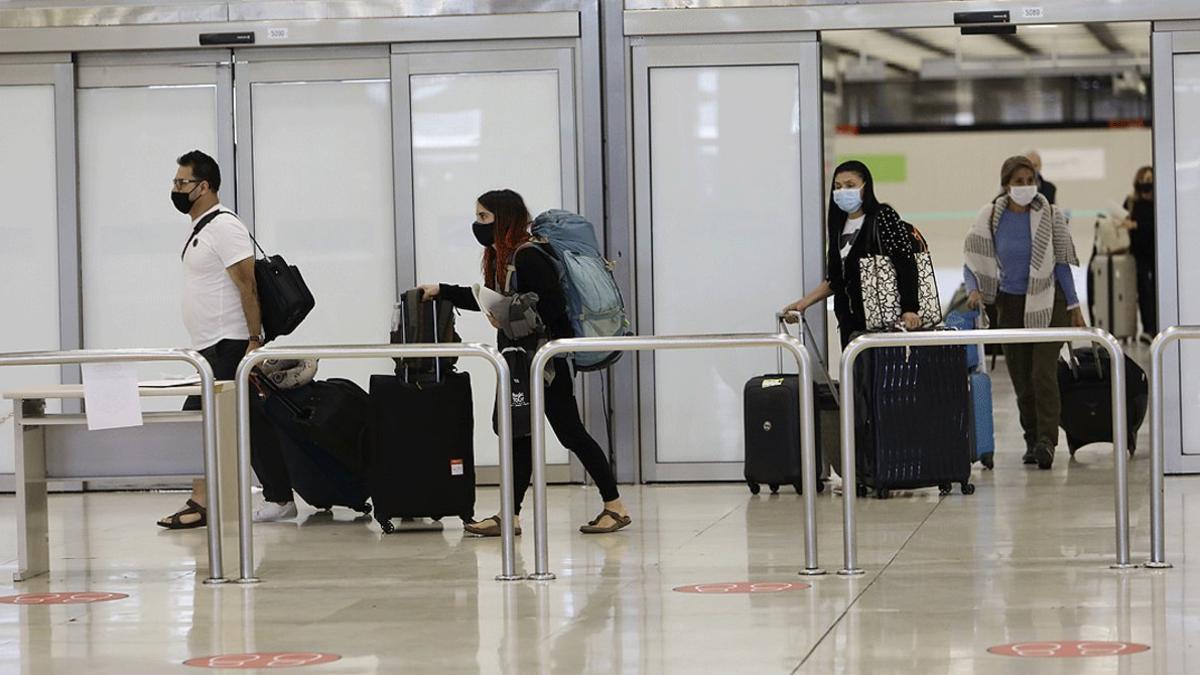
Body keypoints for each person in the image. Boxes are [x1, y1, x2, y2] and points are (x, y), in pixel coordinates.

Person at [417, 189, 631, 536]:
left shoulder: (529, 256)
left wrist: (510, 315)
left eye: (484, 217)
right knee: (521, 435)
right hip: (523, 361)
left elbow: (554, 310)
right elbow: (493, 298)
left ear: (505, 217)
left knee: (569, 433)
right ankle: (510, 517)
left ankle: (615, 506)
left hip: (546, 363)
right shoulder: (506, 257)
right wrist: (441, 290)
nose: (478, 224)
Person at [157, 150, 296, 528]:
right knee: (252, 421)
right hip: (211, 344)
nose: (175, 189)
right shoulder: (203, 227)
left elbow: (247, 285)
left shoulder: (225, 227)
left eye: (181, 182)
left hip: (229, 344)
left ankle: (202, 503)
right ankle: (280, 497)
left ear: (204, 186)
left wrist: (254, 339)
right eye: (175, 182)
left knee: (197, 419)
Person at [963, 155, 1085, 471]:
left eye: (1030, 181)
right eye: (1019, 182)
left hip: (1049, 300)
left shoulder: (1051, 215)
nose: (1026, 187)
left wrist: (1074, 306)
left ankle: (1047, 442)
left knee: (1042, 373)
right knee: (1021, 378)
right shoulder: (990, 216)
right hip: (1011, 303)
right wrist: (973, 289)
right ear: (1006, 185)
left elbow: (1061, 263)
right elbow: (972, 258)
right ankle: (1031, 439)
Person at [781, 160, 921, 346]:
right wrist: (804, 303)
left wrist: (910, 308)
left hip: (885, 322)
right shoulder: (838, 226)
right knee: (855, 373)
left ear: (865, 187)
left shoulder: (883, 216)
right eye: (837, 187)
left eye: (850, 185)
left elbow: (905, 263)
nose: (842, 191)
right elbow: (837, 279)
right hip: (849, 323)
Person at [1121, 165, 1156, 337]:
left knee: (1155, 288)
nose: (1145, 183)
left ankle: (1158, 324)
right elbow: (1122, 216)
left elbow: (1156, 225)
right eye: (1143, 180)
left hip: (1155, 251)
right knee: (1143, 290)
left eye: (1149, 180)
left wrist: (1136, 225)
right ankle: (1148, 328)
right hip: (1137, 252)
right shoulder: (1131, 201)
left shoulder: (1158, 201)